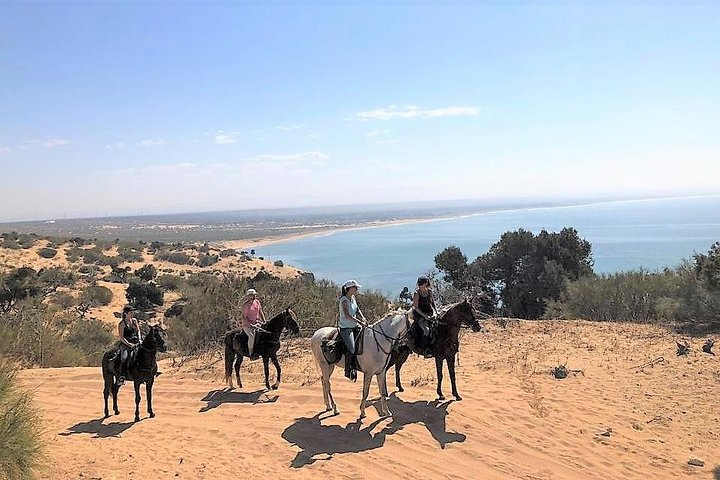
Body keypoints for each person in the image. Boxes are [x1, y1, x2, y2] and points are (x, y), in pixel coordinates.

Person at [338, 279, 368, 381]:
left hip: (355, 325)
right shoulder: (344, 300)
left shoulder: (353, 297)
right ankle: (348, 370)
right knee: (351, 348)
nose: (357, 289)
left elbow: (357, 309)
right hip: (346, 328)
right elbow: (347, 315)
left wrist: (363, 317)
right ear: (349, 288)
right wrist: (360, 322)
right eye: (355, 288)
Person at [412, 276, 438, 357]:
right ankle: (425, 349)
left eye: (421, 283)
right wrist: (425, 316)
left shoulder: (429, 291)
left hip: (430, 312)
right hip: (420, 315)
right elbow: (416, 307)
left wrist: (435, 312)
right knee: (426, 330)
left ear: (425, 283)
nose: (420, 285)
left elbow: (433, 303)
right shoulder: (417, 293)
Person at [116, 305, 141, 385]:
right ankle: (122, 376)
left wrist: (139, 339)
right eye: (130, 312)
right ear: (126, 314)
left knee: (146, 352)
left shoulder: (134, 321)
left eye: (132, 312)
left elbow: (138, 331)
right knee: (124, 357)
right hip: (125, 344)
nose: (132, 314)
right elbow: (121, 337)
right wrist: (129, 344)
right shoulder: (122, 324)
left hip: (136, 342)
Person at [241, 288, 266, 359]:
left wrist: (264, 321)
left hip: (257, 323)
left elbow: (260, 312)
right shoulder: (245, 305)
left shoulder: (257, 302)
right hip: (248, 325)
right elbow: (244, 318)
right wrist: (251, 325)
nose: (254, 297)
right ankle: (251, 353)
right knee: (252, 336)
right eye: (252, 295)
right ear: (248, 296)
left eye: (254, 295)